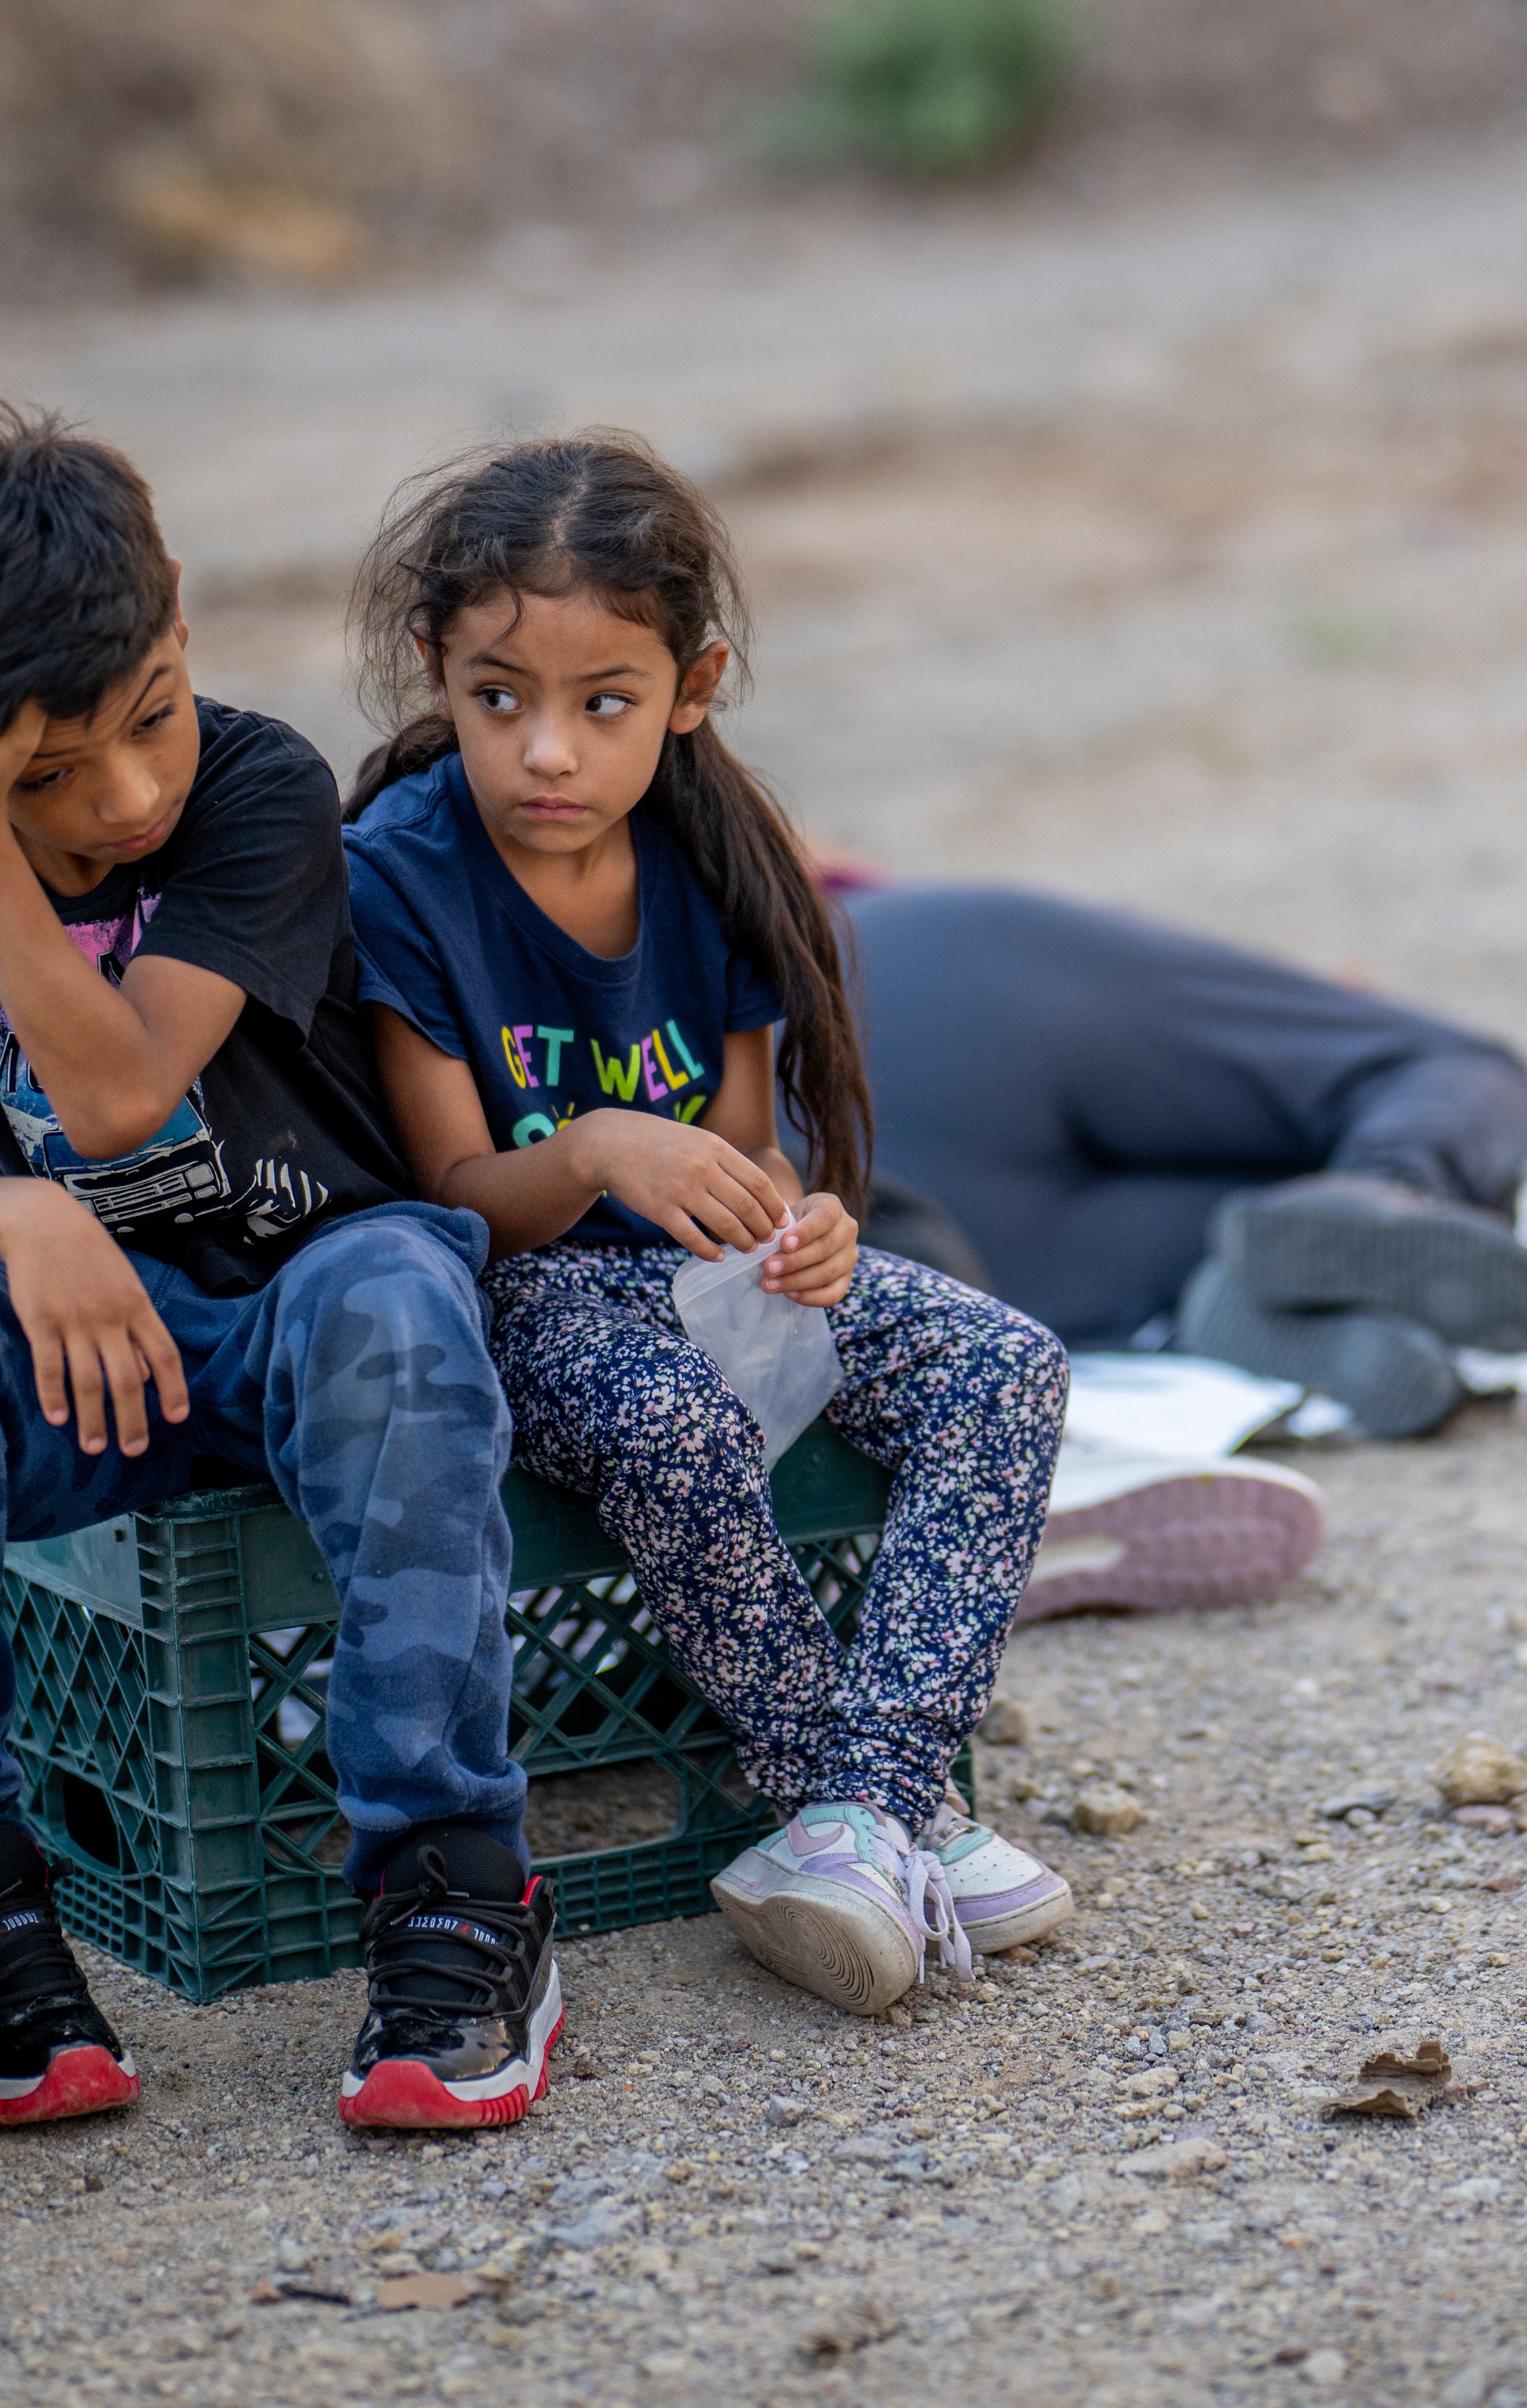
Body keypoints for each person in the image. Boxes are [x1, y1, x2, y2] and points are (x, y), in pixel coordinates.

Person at [0, 405, 547, 2135]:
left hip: (305, 1308)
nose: (120, 799)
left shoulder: (256, 787)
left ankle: (451, 1882)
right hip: (87, 1355)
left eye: (145, 722)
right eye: (40, 777)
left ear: (180, 621)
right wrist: (13, 1216)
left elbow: (117, 1095)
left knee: (402, 1297)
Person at [338, 432, 1073, 2018]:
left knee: (1001, 1368)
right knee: (671, 1426)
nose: (548, 752)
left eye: (603, 703)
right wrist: (600, 1146)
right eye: (498, 699)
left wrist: (795, 1223)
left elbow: (739, 1144)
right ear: (434, 672)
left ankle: (859, 1809)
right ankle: (879, 1811)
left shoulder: (712, 859)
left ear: (693, 684)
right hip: (526, 1299)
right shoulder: (397, 877)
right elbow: (457, 1199)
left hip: (698, 1278)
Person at [837, 881, 1527, 1440]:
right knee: (1440, 1069)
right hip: (895, 983)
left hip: (901, 1240)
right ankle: (1387, 1184)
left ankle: (1217, 1306)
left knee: (1242, 1234)